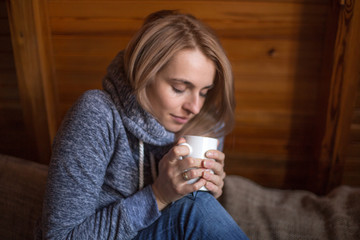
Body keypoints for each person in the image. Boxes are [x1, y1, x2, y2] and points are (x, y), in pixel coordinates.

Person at [39, 10, 249, 240]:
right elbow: (58, 237)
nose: (195, 107)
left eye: (204, 92)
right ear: (144, 72)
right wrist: (158, 195)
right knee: (194, 208)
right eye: (179, 88)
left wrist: (207, 194)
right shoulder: (98, 114)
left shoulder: (204, 126)